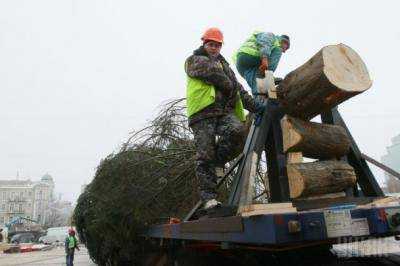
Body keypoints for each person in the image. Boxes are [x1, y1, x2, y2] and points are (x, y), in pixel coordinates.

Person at [185, 27, 259, 209]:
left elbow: (239, 89)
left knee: (237, 131)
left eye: (217, 45)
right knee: (204, 154)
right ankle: (209, 198)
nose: (214, 48)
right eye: (211, 44)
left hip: (223, 112)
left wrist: (256, 106)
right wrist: (229, 84)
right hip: (202, 114)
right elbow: (212, 73)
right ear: (204, 44)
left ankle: (218, 161)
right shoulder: (193, 60)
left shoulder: (225, 66)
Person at [234, 31, 290, 96]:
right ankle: (268, 77)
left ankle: (262, 99)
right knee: (278, 50)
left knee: (258, 84)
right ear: (284, 42)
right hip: (250, 55)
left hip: (242, 65)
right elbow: (264, 41)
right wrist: (264, 58)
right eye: (286, 47)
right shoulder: (272, 37)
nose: (285, 51)